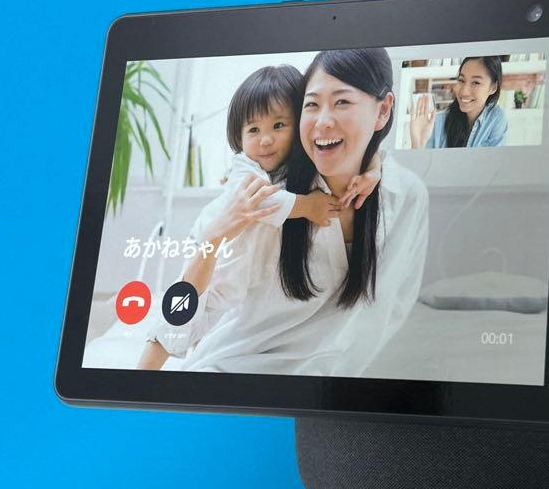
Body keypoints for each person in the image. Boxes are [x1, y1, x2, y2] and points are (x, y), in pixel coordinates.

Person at [169, 47, 429, 376]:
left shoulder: (404, 196)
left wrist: (375, 168)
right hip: (240, 369)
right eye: (312, 105)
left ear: (384, 110)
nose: (323, 121)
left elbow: (391, 311)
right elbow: (199, 308)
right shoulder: (267, 201)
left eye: (342, 102)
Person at [137, 63, 382, 369]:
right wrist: (309, 206)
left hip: (242, 273)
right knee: (177, 318)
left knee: (205, 328)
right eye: (254, 130)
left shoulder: (298, 166)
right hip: (219, 260)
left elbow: (365, 147)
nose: (265, 139)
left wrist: (374, 170)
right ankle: (142, 374)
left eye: (278, 126)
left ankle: (193, 358)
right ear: (239, 136)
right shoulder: (245, 167)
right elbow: (263, 202)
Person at [409, 55, 509, 148]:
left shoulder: (496, 118)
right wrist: (417, 143)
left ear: (493, 88)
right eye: (461, 80)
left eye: (476, 82)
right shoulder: (438, 122)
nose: (464, 91)